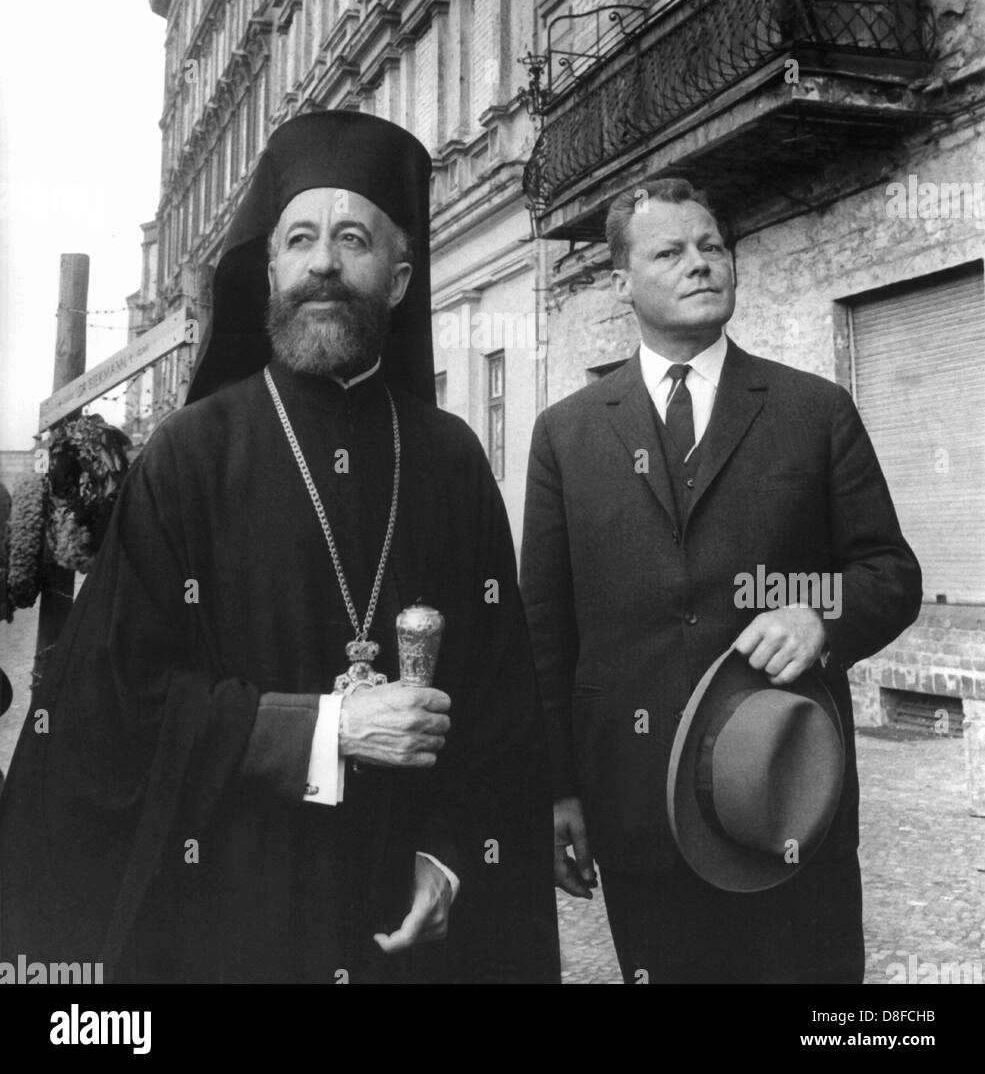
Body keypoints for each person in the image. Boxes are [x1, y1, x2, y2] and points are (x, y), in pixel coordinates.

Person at [0, 110, 559, 985]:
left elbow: (499, 705)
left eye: (352, 238)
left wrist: (451, 856)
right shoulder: (188, 456)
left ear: (401, 276)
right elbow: (112, 705)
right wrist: (324, 728)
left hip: (408, 925)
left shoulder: (451, 458)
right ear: (269, 272)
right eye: (299, 239)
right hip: (233, 905)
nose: (324, 262)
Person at [520, 176, 922, 984]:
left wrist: (819, 617)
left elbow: (890, 572)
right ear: (621, 282)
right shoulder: (567, 434)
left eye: (712, 246)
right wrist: (556, 790)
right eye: (669, 251)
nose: (699, 264)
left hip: (785, 792)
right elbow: (544, 628)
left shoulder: (813, 411)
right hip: (634, 808)